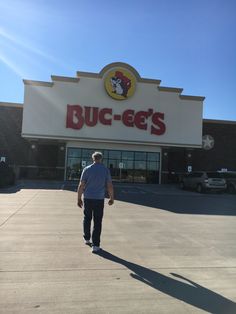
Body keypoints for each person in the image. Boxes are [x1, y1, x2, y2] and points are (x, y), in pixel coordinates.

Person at [77, 151, 114, 253]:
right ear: (101, 159)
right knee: (97, 221)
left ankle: (87, 238)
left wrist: (78, 198)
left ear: (93, 159)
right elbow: (109, 185)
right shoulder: (105, 170)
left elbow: (81, 185)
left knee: (87, 218)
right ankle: (96, 245)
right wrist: (111, 198)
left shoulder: (87, 169)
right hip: (99, 199)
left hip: (88, 198)